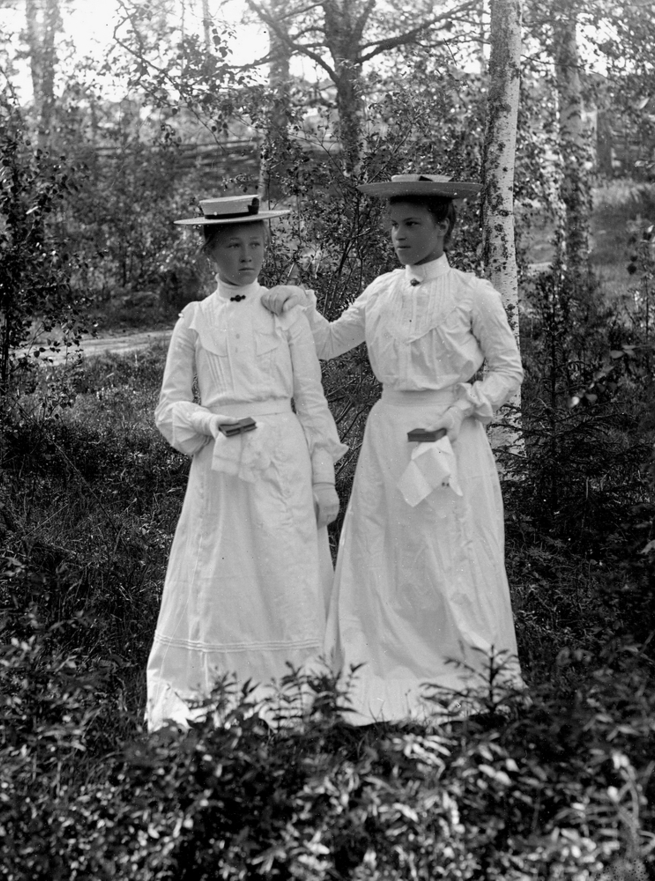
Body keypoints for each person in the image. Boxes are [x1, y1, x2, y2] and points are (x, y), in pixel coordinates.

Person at [262, 174, 525, 724]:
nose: (399, 235)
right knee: (385, 550)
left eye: (412, 224)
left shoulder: (474, 294)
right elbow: (330, 342)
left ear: (443, 227)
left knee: (448, 551)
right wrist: (301, 304)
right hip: (389, 435)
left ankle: (463, 670)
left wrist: (464, 408)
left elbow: (507, 369)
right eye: (394, 225)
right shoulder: (381, 289)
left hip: (450, 436)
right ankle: (381, 663)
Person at [146, 194, 347, 731]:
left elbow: (311, 400)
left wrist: (323, 479)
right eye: (234, 245)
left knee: (286, 568)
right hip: (222, 466)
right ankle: (221, 688)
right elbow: (169, 406)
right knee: (223, 573)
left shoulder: (285, 311)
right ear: (210, 251)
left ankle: (298, 690)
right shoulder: (194, 319)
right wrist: (210, 422)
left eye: (256, 244)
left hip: (283, 458)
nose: (247, 257)